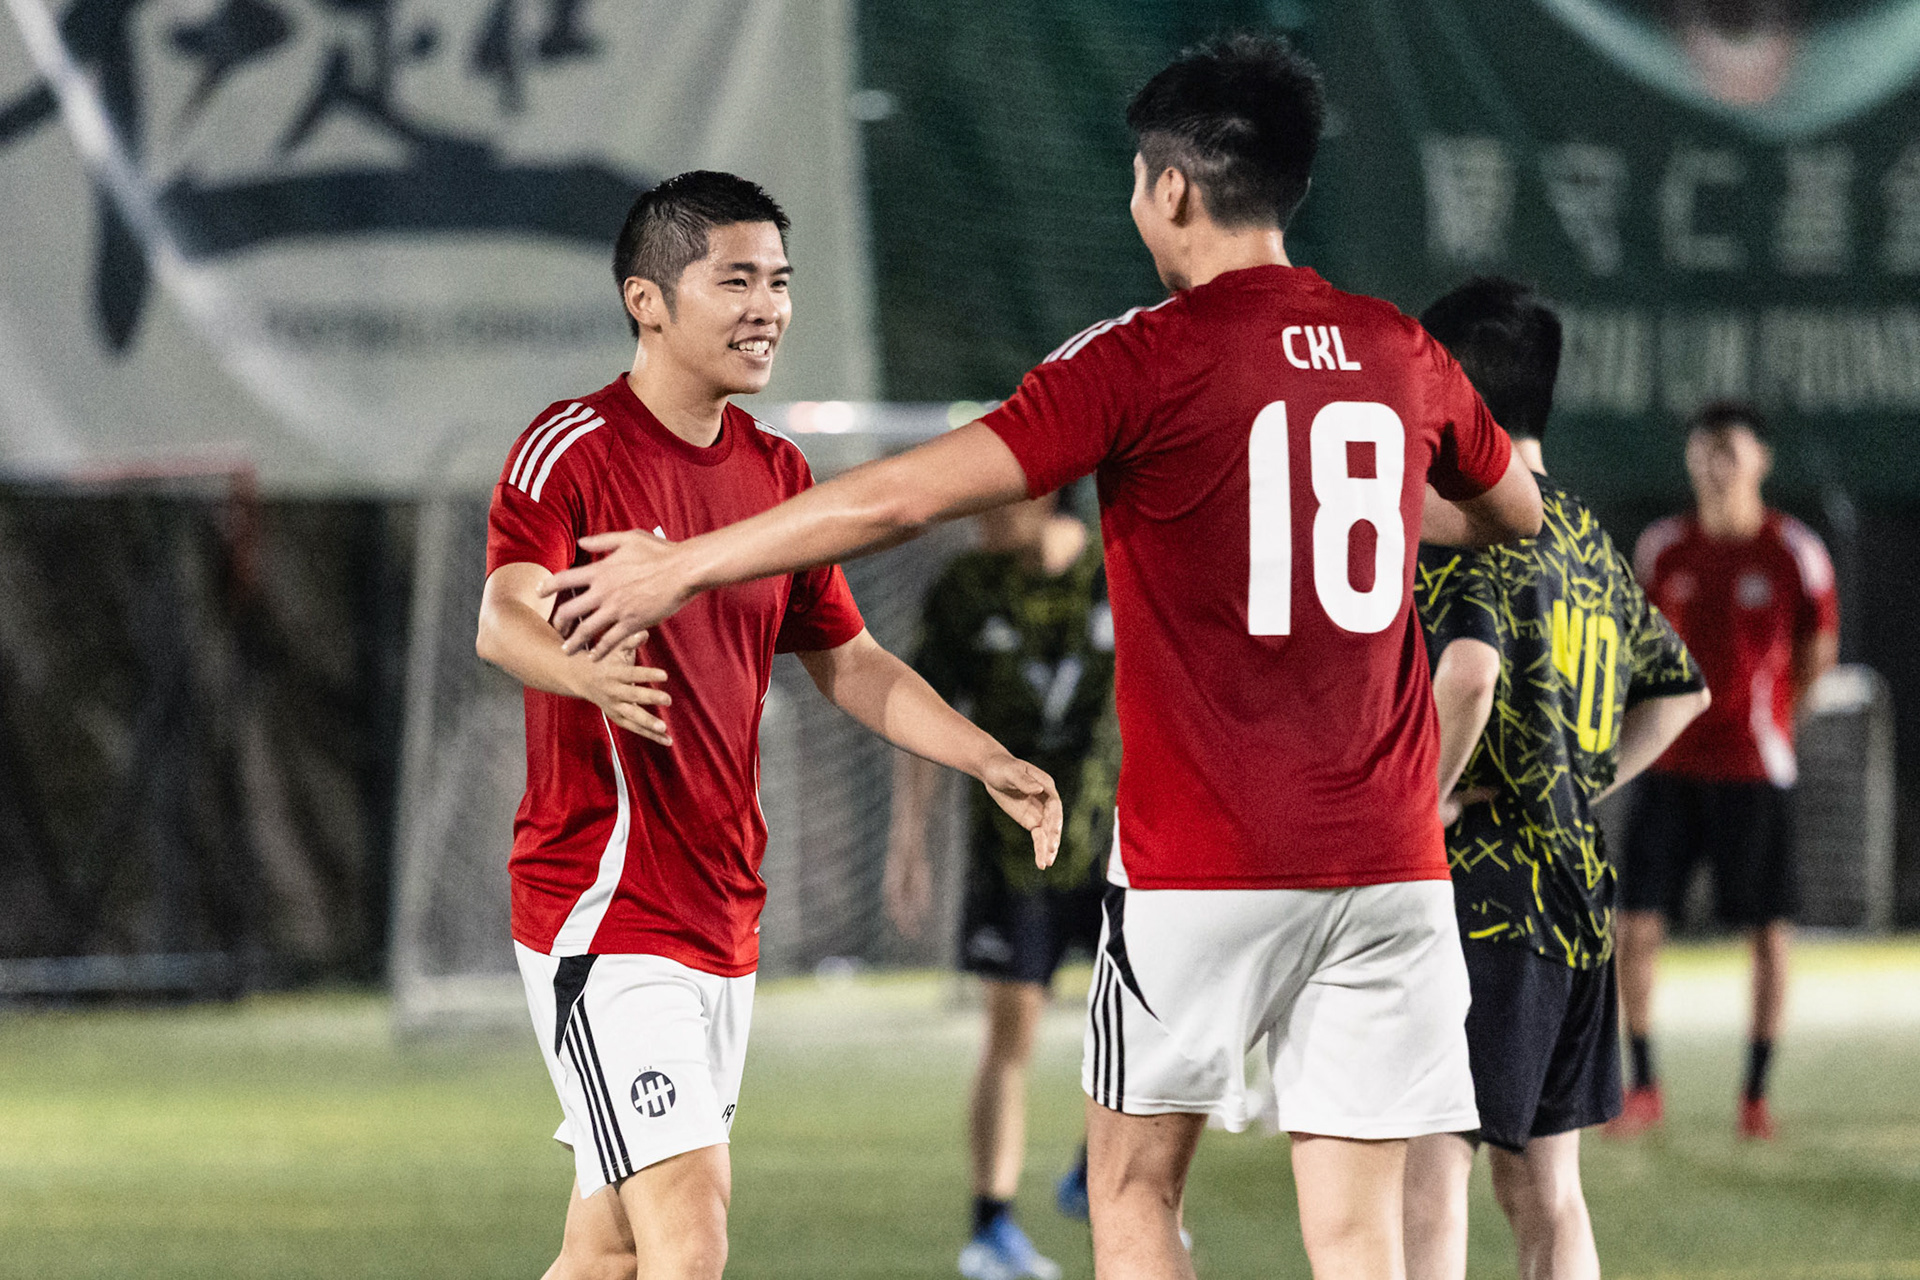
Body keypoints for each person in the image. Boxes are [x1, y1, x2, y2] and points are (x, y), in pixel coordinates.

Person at [539, 36, 1545, 1280]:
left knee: (1129, 1192)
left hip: (1206, 865)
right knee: (1357, 1231)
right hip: (1392, 861)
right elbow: (1514, 511)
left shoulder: (1144, 355)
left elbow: (903, 499)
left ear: (1171, 190)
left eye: (1137, 180)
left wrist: (686, 561)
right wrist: (1393, 496)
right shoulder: (1399, 350)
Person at [474, 170, 1062, 1280]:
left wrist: (984, 754)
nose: (769, 307)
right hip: (604, 911)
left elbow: (851, 661)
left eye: (781, 282)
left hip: (721, 909)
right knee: (691, 1238)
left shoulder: (776, 472)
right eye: (735, 279)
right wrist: (582, 674)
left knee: (603, 1247)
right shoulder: (572, 448)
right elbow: (503, 615)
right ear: (647, 300)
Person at [1402, 278, 1710, 1280]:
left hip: (1480, 900)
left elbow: (1469, 674)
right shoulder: (1585, 537)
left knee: (1429, 1164)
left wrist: (1426, 801)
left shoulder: (1472, 526)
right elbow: (1679, 692)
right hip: (1578, 899)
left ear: (1455, 394)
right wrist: (1576, 782)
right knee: (1547, 1190)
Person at [886, 490, 1117, 1280]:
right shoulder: (965, 589)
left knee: (1147, 1025)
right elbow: (918, 712)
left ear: (1048, 488)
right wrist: (908, 842)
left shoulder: (1114, 569)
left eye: (998, 493)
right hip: (1013, 853)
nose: (979, 510)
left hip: (1121, 843)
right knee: (1010, 1032)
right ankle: (991, 1228)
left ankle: (1106, 1170)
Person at [1612, 400, 1840, 1141]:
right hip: (1669, 765)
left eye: (1730, 452)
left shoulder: (1794, 551)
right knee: (1636, 926)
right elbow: (1635, 651)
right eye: (1704, 452)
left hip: (1754, 771)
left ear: (1761, 461)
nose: (1716, 466)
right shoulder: (1663, 549)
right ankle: (1642, 1084)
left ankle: (1755, 1093)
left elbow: (1817, 652)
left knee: (1769, 931)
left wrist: (1776, 721)